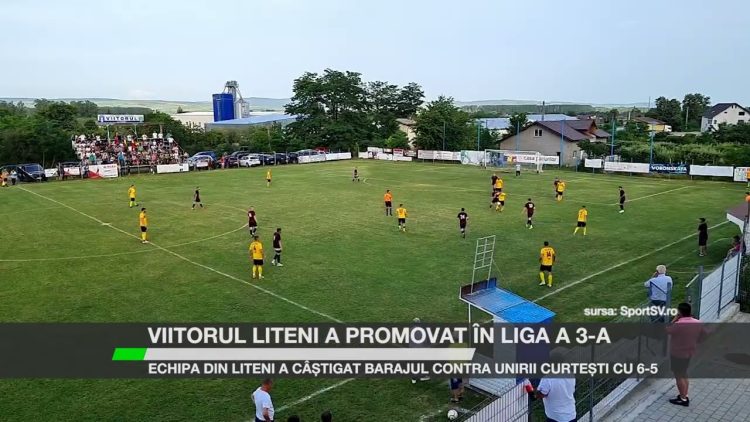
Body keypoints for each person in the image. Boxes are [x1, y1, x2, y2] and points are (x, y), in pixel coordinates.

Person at [666, 303, 707, 407]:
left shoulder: (678, 325)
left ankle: (683, 399)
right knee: (684, 373)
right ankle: (685, 394)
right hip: (689, 353)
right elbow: (704, 335)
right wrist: (697, 341)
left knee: (678, 376)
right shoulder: (698, 323)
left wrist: (674, 319)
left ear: (679, 313)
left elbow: (667, 330)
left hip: (677, 354)